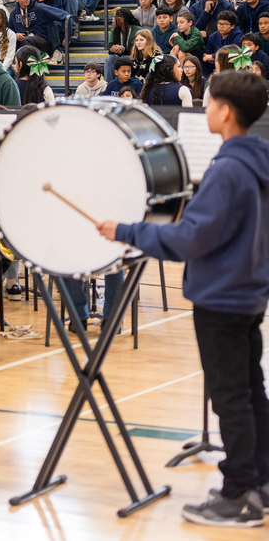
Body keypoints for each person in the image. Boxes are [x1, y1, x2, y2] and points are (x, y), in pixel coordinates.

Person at [97, 70, 269, 527]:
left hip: (222, 297)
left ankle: (238, 495)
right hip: (249, 292)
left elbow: (192, 238)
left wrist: (127, 232)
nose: (206, 108)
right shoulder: (259, 157)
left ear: (226, 112)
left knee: (230, 397)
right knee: (251, 392)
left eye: (210, 103)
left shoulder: (229, 168)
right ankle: (261, 482)